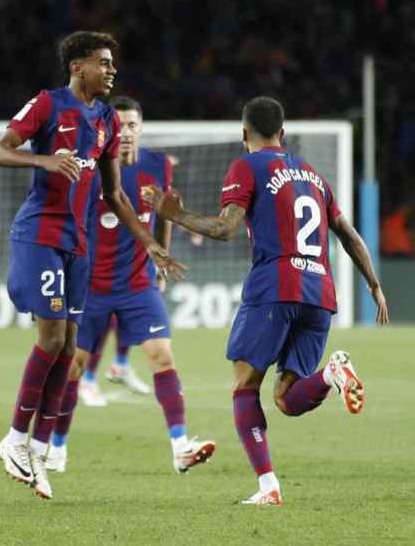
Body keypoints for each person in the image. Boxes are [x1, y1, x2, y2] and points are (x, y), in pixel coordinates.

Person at [145, 96, 389, 506]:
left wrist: (176, 216)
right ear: (284, 132)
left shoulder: (248, 165)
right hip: (320, 293)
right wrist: (374, 284)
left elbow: (225, 228)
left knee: (245, 387)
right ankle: (330, 374)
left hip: (275, 286)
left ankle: (268, 486)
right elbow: (346, 232)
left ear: (244, 134)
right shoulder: (313, 175)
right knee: (286, 399)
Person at [0, 32, 186, 500]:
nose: (112, 69)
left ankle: (38, 449)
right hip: (39, 233)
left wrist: (151, 244)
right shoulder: (47, 104)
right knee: (53, 339)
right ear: (78, 67)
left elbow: (115, 194)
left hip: (77, 242)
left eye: (113, 62)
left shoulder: (107, 122)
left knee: (71, 345)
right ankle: (15, 437)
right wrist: (45, 160)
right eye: (103, 62)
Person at [46, 96, 215, 474]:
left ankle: (179, 446)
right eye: (118, 126)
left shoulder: (157, 165)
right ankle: (56, 448)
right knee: (73, 368)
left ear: (141, 128)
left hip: (138, 284)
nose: (125, 133)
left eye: (132, 125)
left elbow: (167, 210)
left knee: (162, 356)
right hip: (89, 288)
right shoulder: (88, 170)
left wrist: (163, 257)